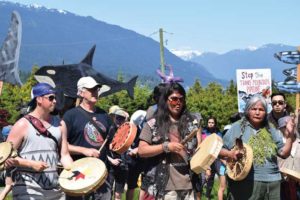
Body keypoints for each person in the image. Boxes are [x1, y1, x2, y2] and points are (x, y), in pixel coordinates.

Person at [5, 82, 73, 200]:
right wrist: (31, 164)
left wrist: (74, 172)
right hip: (28, 191)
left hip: (55, 190)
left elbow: (65, 155)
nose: (55, 101)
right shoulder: (22, 125)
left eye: (55, 97)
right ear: (39, 99)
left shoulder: (60, 124)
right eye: (51, 98)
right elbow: (6, 157)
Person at [219, 94, 294, 200]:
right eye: (254, 109)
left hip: (273, 184)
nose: (257, 112)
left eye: (261, 109)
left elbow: (284, 153)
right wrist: (230, 154)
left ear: (265, 112)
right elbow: (219, 150)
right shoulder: (238, 127)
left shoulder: (271, 129)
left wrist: (290, 135)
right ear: (248, 110)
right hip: (247, 184)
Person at [138, 82, 198, 200]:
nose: (178, 103)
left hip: (189, 184)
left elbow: (198, 149)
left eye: (181, 99)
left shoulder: (191, 124)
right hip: (164, 186)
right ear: (166, 101)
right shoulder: (153, 124)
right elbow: (141, 150)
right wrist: (166, 147)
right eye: (174, 99)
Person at [62, 76, 113, 200]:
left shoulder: (104, 115)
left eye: (97, 89)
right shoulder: (70, 116)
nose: (96, 92)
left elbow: (110, 143)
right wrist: (84, 150)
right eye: (92, 89)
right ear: (81, 92)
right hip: (78, 177)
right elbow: (62, 145)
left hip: (101, 177)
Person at [107, 105, 129, 200]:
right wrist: (111, 160)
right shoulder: (110, 130)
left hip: (122, 165)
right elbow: (104, 149)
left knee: (118, 194)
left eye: (122, 118)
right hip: (110, 165)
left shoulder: (127, 130)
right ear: (114, 118)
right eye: (117, 118)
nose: (119, 121)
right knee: (108, 192)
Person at [200, 116, 224, 200]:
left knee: (213, 179)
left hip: (217, 158)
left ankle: (207, 197)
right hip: (206, 158)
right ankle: (199, 194)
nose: (210, 124)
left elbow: (221, 145)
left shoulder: (219, 133)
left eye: (212, 122)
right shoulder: (203, 133)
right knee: (205, 178)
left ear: (215, 124)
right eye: (209, 122)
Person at [277, 116, 300, 200]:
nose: (289, 128)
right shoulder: (277, 147)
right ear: (280, 129)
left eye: (292, 125)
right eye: (285, 126)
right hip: (282, 186)